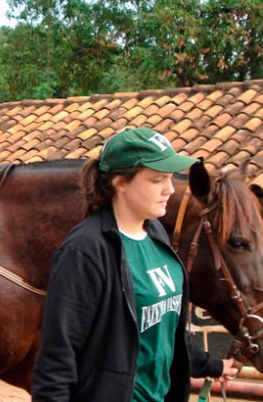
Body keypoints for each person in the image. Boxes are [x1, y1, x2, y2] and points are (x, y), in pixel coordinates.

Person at [31, 127, 239, 401]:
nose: (169, 189)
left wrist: (212, 366)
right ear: (121, 182)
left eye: (169, 178)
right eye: (156, 180)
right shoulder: (84, 251)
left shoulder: (156, 235)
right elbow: (56, 360)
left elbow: (167, 328)